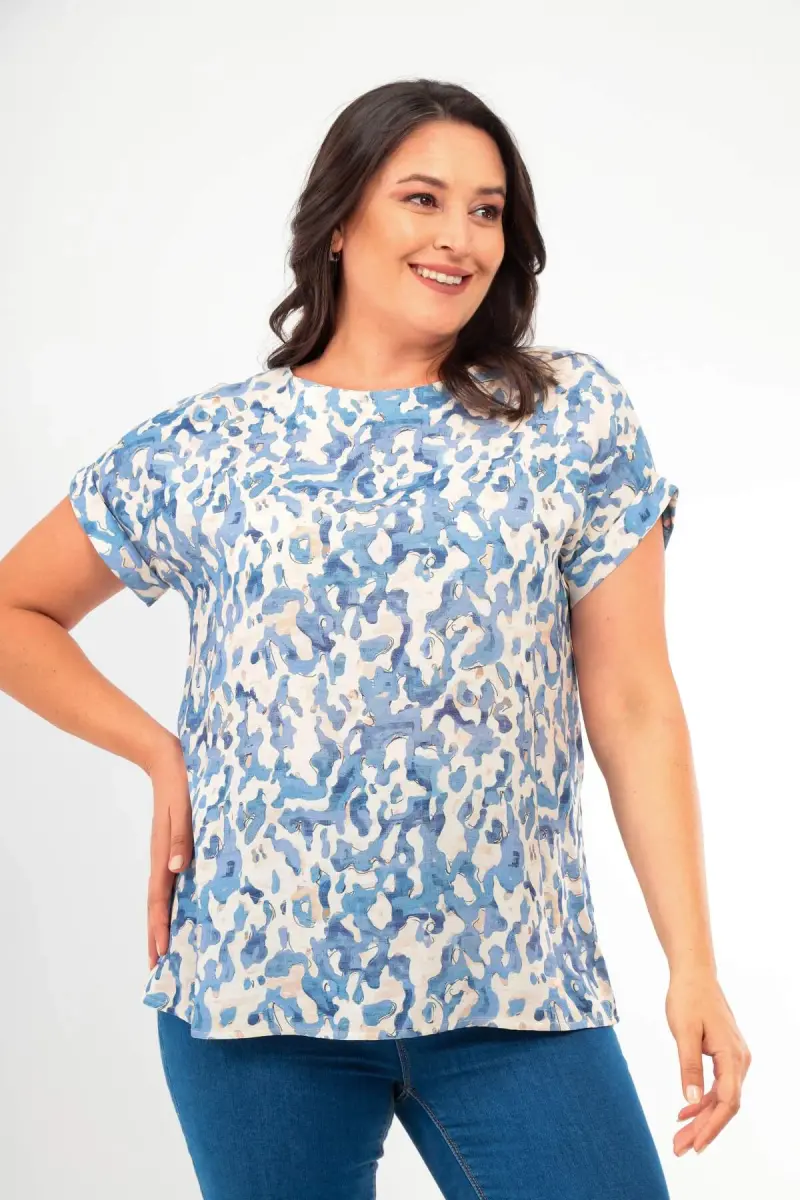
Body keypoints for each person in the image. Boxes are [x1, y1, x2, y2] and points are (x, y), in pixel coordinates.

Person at [0, 78, 750, 1199]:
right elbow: (16, 610)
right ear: (341, 219)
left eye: (487, 211)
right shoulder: (211, 443)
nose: (461, 237)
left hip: (513, 992)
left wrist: (692, 962)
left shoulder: (569, 418)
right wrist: (159, 752)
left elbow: (635, 704)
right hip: (256, 998)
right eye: (423, 199)